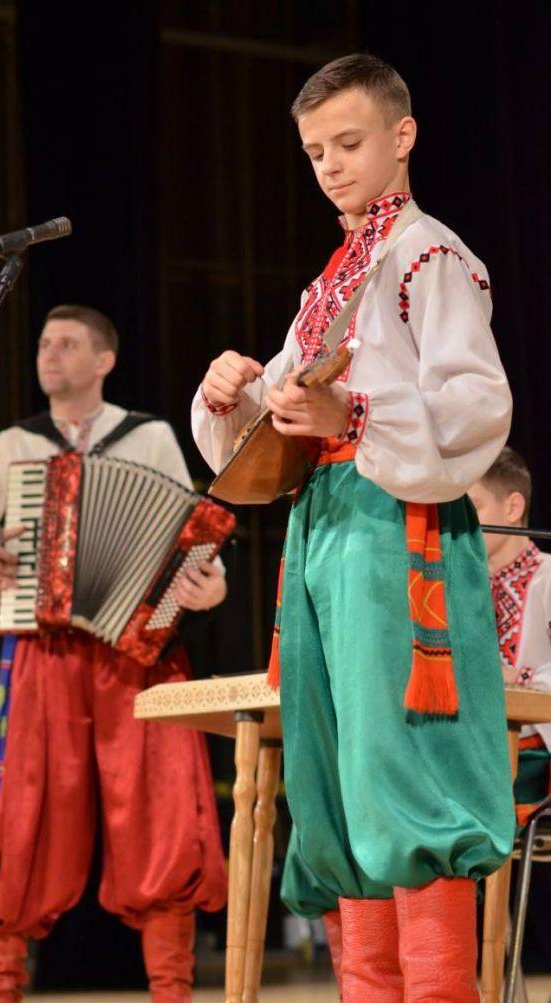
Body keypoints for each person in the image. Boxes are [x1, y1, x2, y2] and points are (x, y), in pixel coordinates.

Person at [192, 53, 515, 1001]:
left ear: (400, 136)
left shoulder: (429, 257)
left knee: (402, 771)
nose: (329, 164)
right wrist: (235, 393)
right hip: (324, 530)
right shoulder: (337, 274)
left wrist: (357, 420)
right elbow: (275, 414)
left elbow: (475, 408)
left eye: (348, 142)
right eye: (314, 151)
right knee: (336, 778)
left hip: (397, 527)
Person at [0, 304, 228, 1003]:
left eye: (67, 343)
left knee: (164, 816)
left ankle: (172, 992)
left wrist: (204, 585)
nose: (49, 354)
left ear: (104, 360)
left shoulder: (151, 436)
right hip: (41, 650)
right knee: (22, 812)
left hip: (138, 650)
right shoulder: (11, 445)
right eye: (43, 343)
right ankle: (1, 989)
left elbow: (189, 541)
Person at [469, 446, 551, 825]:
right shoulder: (457, 590)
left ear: (512, 508)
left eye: (473, 507)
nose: (463, 524)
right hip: (473, 750)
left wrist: (516, 681)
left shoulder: (548, 576)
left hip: (532, 757)